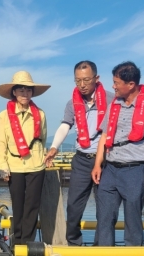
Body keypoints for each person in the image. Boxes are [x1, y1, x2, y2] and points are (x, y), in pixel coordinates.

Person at [91, 61, 144, 246]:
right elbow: (104, 136)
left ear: (131, 84)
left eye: (117, 82)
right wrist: (97, 165)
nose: (113, 86)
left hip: (135, 170)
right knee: (105, 215)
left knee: (133, 217)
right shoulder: (114, 105)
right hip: (110, 168)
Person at [44, 60, 114, 246]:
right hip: (82, 160)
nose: (82, 85)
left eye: (86, 80)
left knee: (105, 207)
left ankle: (102, 248)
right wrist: (54, 147)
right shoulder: (72, 103)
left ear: (96, 78)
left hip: (107, 161)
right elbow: (65, 125)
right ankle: (74, 244)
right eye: (77, 81)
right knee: (74, 205)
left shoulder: (111, 100)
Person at [0, 71, 50, 246]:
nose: (25, 94)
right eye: (21, 90)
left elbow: (43, 138)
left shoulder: (40, 114)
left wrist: (43, 157)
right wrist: (3, 165)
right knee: (18, 205)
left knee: (32, 206)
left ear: (32, 92)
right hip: (14, 166)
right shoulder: (3, 116)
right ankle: (17, 242)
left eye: (28, 90)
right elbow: (0, 143)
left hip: (35, 166)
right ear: (14, 93)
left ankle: (28, 244)